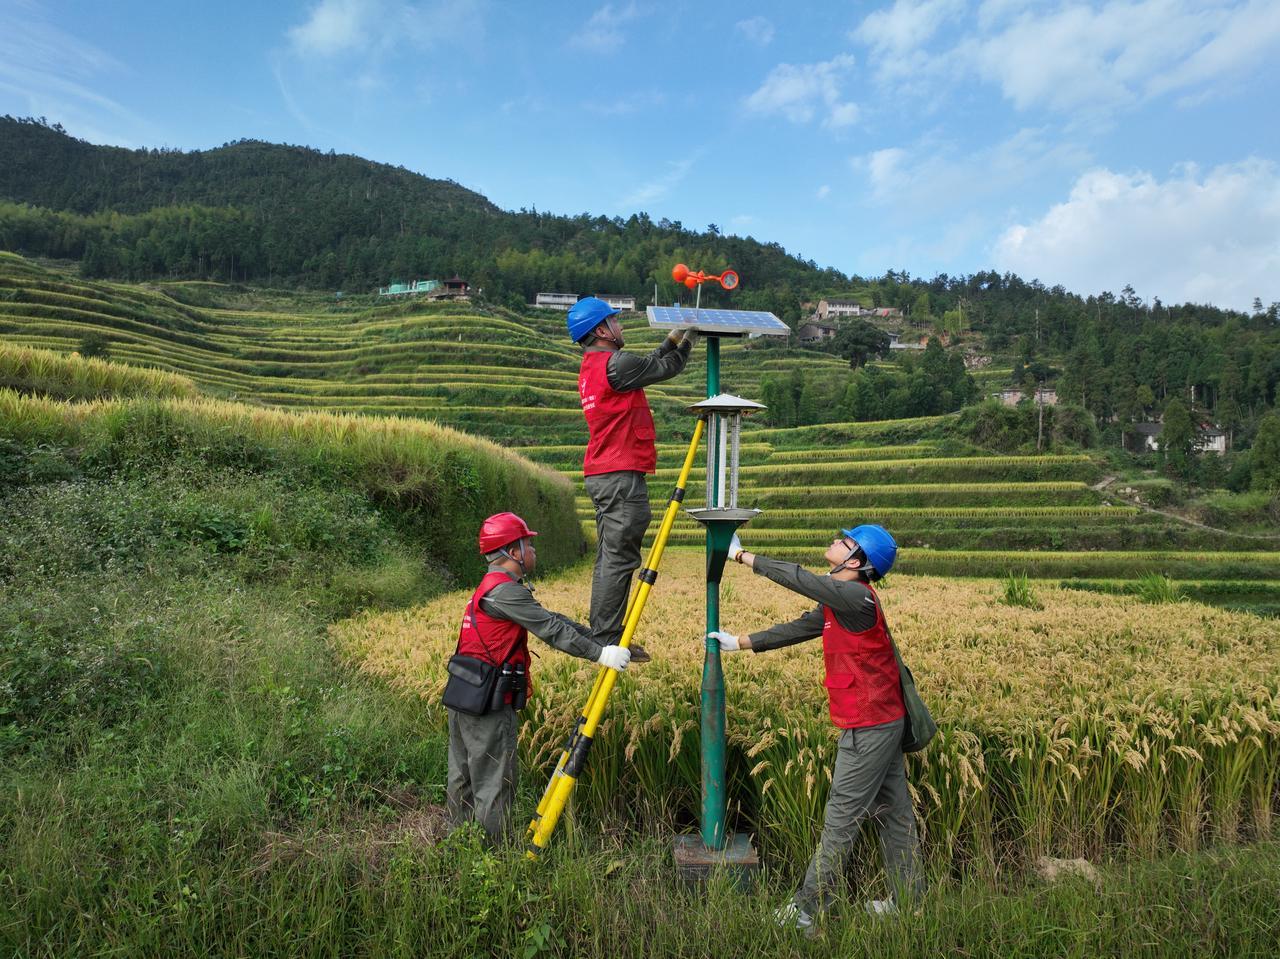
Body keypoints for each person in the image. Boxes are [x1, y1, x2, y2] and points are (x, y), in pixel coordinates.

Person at [709, 524, 924, 931]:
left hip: (869, 727)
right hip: (881, 721)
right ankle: (909, 902)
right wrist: (741, 642)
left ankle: (805, 911)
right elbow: (800, 628)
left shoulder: (856, 596)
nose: (835, 541)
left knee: (841, 820)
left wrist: (740, 556)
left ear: (857, 562)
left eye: (846, 541)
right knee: (895, 815)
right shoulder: (841, 603)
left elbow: (800, 579)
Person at [446, 511, 633, 844]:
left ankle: (460, 843)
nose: (533, 550)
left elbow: (552, 618)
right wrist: (600, 655)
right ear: (513, 552)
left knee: (463, 775)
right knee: (493, 779)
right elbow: (550, 629)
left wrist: (602, 640)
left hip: (464, 692)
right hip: (488, 702)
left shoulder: (495, 588)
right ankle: (492, 856)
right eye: (528, 544)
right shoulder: (505, 592)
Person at [569, 297, 697, 652]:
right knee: (620, 557)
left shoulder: (597, 365)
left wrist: (673, 339)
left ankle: (603, 631)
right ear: (601, 331)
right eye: (615, 321)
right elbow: (665, 367)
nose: (621, 326)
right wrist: (688, 342)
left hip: (604, 472)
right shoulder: (617, 363)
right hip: (619, 474)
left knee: (609, 556)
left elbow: (650, 362)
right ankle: (607, 638)